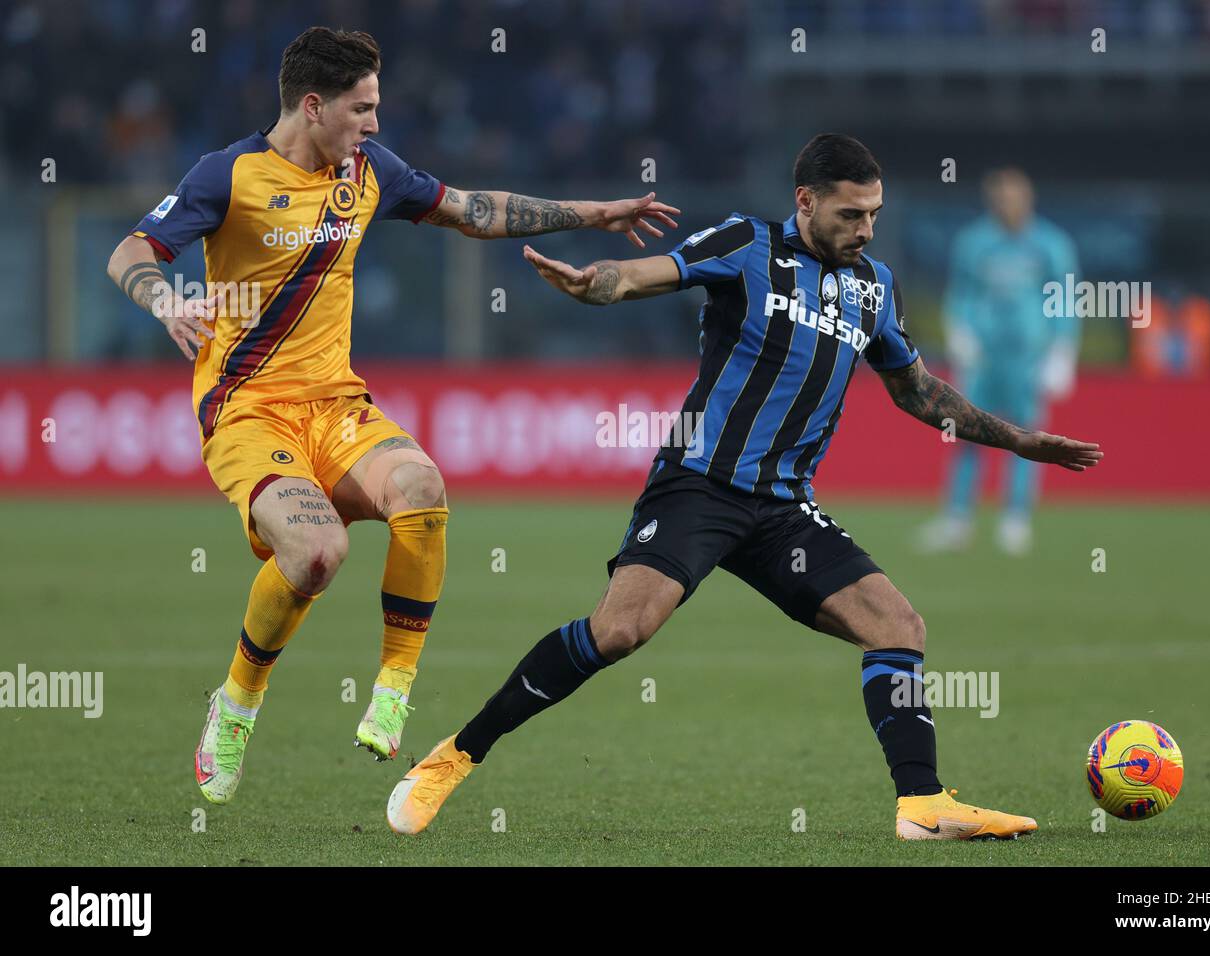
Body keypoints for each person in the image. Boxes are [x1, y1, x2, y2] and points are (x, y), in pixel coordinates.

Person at [387, 135, 1102, 840]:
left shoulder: (873, 286)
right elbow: (646, 275)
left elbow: (916, 392)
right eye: (851, 214)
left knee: (899, 628)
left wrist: (1017, 439)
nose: (866, 229)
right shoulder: (746, 245)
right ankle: (453, 757)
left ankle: (921, 805)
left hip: (785, 509)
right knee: (619, 630)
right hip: (699, 486)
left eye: (874, 214)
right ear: (806, 201)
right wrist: (592, 284)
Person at [105, 26, 679, 805]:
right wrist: (165, 299)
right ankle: (236, 702)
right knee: (316, 554)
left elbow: (474, 209)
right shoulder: (229, 175)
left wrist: (591, 213)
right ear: (314, 106)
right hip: (250, 413)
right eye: (362, 108)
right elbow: (130, 252)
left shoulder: (371, 171)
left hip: (337, 404)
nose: (375, 123)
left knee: (422, 486)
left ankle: (393, 689)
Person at [918, 168, 1081, 555]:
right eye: (1001, 198)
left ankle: (1015, 519)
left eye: (1015, 197)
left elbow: (1066, 299)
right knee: (966, 432)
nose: (1008, 205)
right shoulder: (975, 242)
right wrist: (960, 333)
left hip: (1028, 356)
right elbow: (960, 293)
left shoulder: (1051, 243)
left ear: (1028, 199)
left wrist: (1062, 352)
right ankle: (957, 520)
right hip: (984, 358)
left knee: (1028, 436)